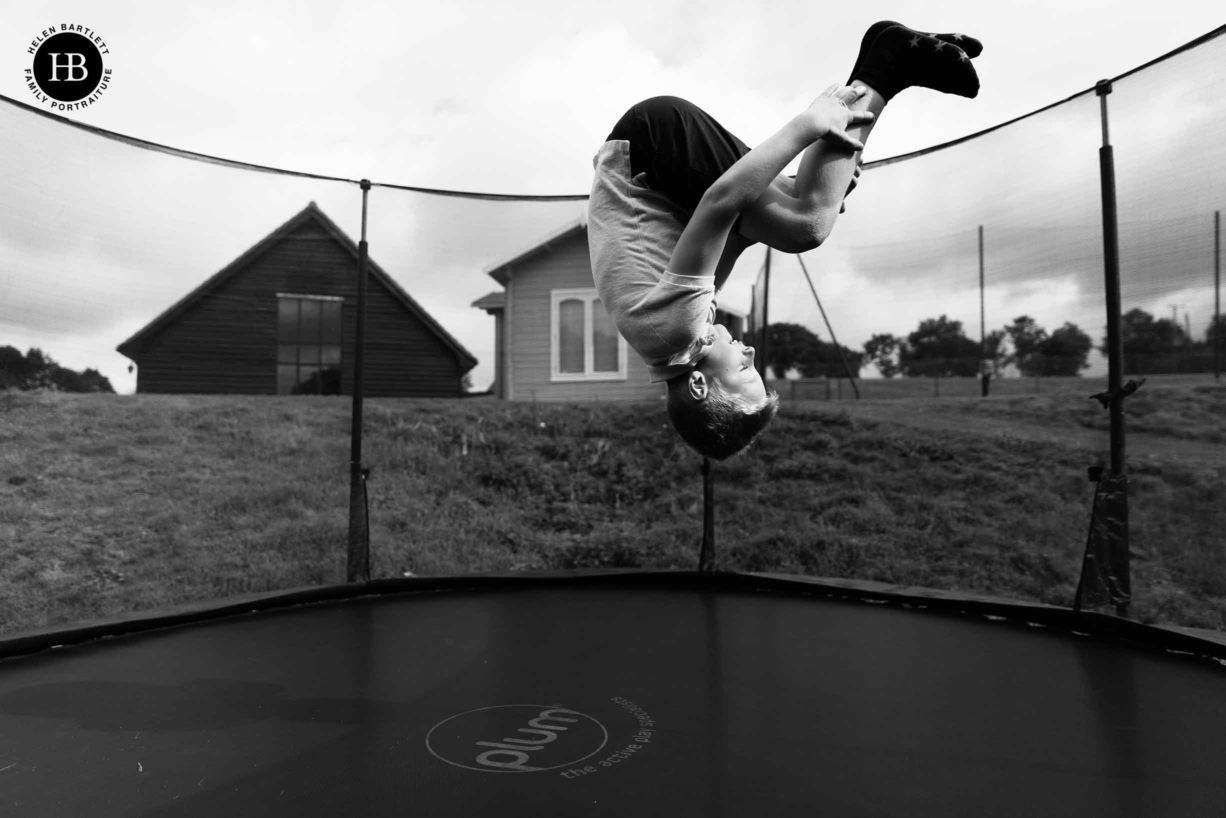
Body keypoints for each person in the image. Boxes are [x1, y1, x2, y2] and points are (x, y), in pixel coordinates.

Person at [587, 21, 982, 460]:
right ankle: (884, 61)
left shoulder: (675, 328)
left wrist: (806, 128)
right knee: (806, 207)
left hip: (653, 146)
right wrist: (811, 189)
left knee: (805, 226)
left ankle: (888, 63)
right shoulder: (676, 339)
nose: (751, 350)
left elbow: (720, 204)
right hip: (653, 154)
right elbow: (733, 238)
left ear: (699, 384)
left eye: (743, 368)